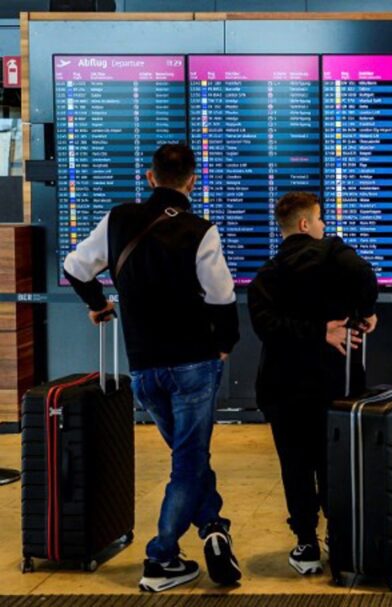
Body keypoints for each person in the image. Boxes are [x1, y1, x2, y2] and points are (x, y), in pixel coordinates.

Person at [63, 143, 242, 592]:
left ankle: (214, 528)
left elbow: (74, 267)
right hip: (194, 364)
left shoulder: (118, 219)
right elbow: (222, 297)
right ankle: (161, 557)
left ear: (149, 178)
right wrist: (224, 344)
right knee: (188, 461)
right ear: (192, 182)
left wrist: (99, 304)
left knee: (188, 457)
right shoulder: (201, 231)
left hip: (145, 367)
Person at [248, 191, 378, 575]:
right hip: (333, 385)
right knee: (335, 462)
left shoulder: (266, 275)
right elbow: (366, 279)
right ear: (305, 224)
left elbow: (265, 326)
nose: (324, 226)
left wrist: (313, 330)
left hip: (283, 388)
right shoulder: (335, 255)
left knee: (295, 465)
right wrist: (364, 314)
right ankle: (341, 542)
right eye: (320, 219)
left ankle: (306, 544)